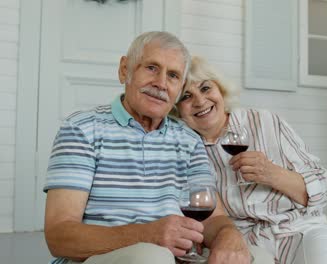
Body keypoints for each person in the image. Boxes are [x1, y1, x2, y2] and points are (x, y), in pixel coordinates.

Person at [43, 31, 251, 264]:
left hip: (177, 259)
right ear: (125, 70)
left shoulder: (189, 140)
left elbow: (212, 218)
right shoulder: (82, 129)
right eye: (152, 68)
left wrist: (228, 236)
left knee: (254, 257)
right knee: (151, 257)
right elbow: (59, 236)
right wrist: (146, 235)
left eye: (173, 75)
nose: (161, 83)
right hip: (103, 259)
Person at [175, 56, 327, 264]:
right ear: (176, 109)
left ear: (221, 90)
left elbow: (323, 189)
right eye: (186, 96)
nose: (200, 101)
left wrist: (272, 174)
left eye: (206, 88)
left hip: (301, 231)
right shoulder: (183, 148)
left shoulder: (264, 121)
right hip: (244, 242)